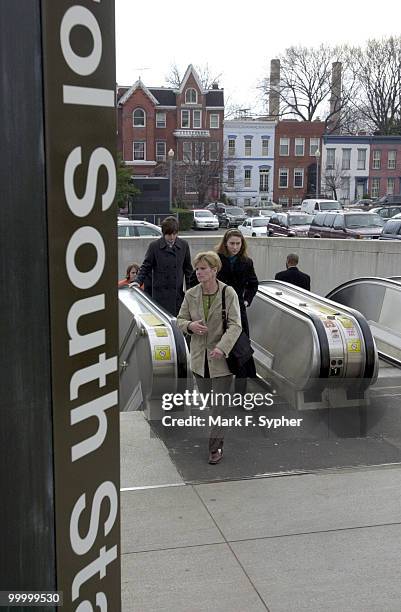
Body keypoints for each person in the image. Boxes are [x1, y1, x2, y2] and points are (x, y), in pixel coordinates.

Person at [177, 251, 242, 465]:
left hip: (221, 360)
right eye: (197, 269)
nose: (198, 272)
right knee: (208, 401)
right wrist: (190, 326)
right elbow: (180, 319)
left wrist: (223, 348)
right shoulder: (191, 294)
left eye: (203, 268)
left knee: (218, 406)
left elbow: (235, 325)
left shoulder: (227, 293)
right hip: (199, 359)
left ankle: (215, 448)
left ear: (214, 270)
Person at [215, 229, 259, 393]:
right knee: (219, 349)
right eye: (232, 243)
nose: (235, 247)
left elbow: (253, 284)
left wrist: (247, 300)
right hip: (218, 310)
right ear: (225, 243)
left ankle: (241, 393)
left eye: (238, 244)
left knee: (241, 351)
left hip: (239, 310)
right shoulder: (216, 259)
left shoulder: (247, 262)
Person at [132, 216, 193, 316]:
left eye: (174, 234)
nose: (172, 237)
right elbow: (146, 266)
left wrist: (191, 291)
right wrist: (138, 281)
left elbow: (188, 270)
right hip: (160, 295)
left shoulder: (184, 245)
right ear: (164, 233)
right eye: (169, 234)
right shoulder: (154, 246)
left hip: (177, 295)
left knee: (177, 322)